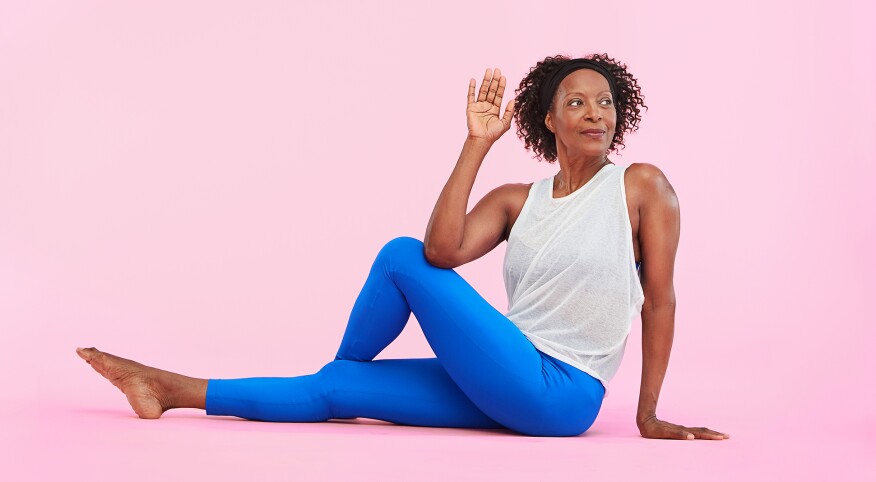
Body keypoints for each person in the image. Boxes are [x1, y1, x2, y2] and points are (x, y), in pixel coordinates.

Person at [76, 53, 729, 440]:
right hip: (505, 374)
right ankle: (165, 388)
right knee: (337, 388)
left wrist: (648, 413)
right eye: (577, 102)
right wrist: (476, 145)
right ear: (549, 121)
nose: (596, 113)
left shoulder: (640, 188)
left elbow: (661, 300)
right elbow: (444, 250)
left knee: (396, 255)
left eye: (606, 102)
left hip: (561, 392)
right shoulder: (516, 201)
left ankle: (343, 372)